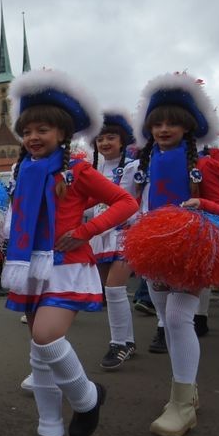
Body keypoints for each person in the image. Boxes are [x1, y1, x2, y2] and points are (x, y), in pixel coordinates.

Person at [0, 69, 137, 436]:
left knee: (45, 336)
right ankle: (49, 431)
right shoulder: (22, 171)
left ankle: (88, 397)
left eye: (43, 129)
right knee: (38, 356)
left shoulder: (77, 171)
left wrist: (85, 231)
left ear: (63, 134)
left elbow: (126, 203)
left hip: (68, 266)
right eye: (27, 131)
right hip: (29, 268)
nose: (33, 137)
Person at [125, 73, 219, 436]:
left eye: (172, 122)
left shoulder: (206, 164)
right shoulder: (142, 165)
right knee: (167, 320)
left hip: (191, 250)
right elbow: (135, 203)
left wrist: (201, 202)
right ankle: (187, 389)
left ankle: (182, 404)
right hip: (153, 251)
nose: (164, 129)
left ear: (188, 126)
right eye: (157, 123)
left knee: (178, 316)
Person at [90, 109, 139, 369]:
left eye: (110, 137)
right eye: (100, 139)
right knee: (110, 292)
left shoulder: (134, 167)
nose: (105, 143)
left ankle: (118, 344)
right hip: (100, 235)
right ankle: (127, 341)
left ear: (122, 141)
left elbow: (140, 201)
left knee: (114, 288)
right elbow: (89, 206)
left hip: (125, 233)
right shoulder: (92, 171)